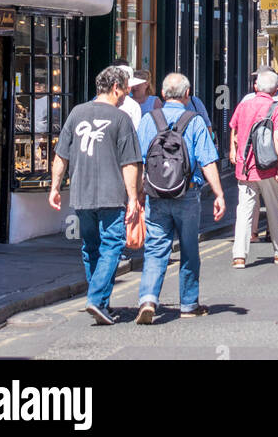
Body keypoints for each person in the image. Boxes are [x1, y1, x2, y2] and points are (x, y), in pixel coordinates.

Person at [49, 65, 141, 325]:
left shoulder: (77, 113)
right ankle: (96, 298)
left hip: (81, 194)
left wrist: (55, 188)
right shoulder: (121, 118)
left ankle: (102, 304)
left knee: (91, 248)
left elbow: (61, 156)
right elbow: (130, 163)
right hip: (111, 195)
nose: (126, 95)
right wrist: (133, 197)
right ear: (115, 88)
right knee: (112, 245)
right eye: (124, 89)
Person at [135, 72, 226, 323]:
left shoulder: (148, 120)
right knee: (189, 249)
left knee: (155, 248)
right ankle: (188, 304)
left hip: (155, 193)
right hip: (187, 193)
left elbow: (139, 161)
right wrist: (219, 193)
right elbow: (207, 161)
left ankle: (148, 299)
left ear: (163, 94)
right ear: (187, 94)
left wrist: (136, 195)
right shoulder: (195, 121)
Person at [230, 68, 278, 268]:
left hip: (246, 167)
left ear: (255, 86)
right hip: (268, 166)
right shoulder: (277, 107)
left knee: (244, 211)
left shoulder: (244, 105)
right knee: (274, 209)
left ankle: (239, 256)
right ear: (276, 88)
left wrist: (233, 152)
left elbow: (234, 130)